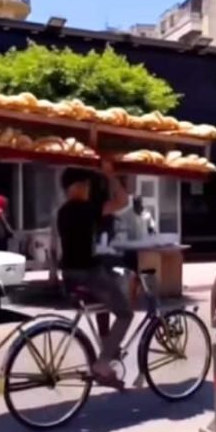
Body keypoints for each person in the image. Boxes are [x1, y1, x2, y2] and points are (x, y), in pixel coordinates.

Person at [56, 163, 132, 389]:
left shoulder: (62, 211)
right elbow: (123, 202)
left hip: (69, 276)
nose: (88, 188)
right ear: (77, 187)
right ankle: (103, 361)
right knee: (125, 312)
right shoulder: (86, 209)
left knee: (108, 295)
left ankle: (107, 348)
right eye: (86, 184)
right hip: (87, 274)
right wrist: (110, 175)